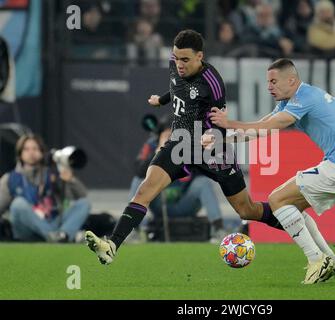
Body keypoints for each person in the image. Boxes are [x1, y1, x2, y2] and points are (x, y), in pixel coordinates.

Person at [85, 29, 284, 265]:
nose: (179, 64)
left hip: (210, 148)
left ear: (200, 56)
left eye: (185, 60)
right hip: (179, 143)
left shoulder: (213, 82)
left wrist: (214, 135)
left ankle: (295, 226)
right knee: (144, 189)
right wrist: (161, 99)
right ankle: (112, 245)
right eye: (176, 58)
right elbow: (177, 88)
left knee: (246, 210)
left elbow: (220, 122)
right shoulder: (175, 62)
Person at [204, 58, 335, 284]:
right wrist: (222, 139)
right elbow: (259, 130)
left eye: (273, 81)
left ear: (291, 80)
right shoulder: (290, 100)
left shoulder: (305, 97)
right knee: (292, 206)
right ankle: (331, 259)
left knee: (276, 200)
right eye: (268, 82)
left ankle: (316, 261)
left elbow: (270, 126)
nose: (269, 87)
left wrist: (227, 122)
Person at [128, 120, 227, 242]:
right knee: (138, 180)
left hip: (185, 203)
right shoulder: (151, 145)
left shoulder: (193, 146)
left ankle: (218, 230)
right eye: (168, 136)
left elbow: (207, 171)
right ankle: (132, 231)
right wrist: (158, 154)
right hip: (159, 203)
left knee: (203, 183)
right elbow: (138, 170)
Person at [0, 134, 90, 242]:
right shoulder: (10, 178)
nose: (31, 152)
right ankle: (59, 236)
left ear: (42, 152)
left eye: (35, 148)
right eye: (26, 149)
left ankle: (62, 235)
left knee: (84, 203)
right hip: (26, 230)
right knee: (18, 204)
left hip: (51, 220)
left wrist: (71, 180)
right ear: (20, 153)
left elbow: (78, 196)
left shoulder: (52, 173)